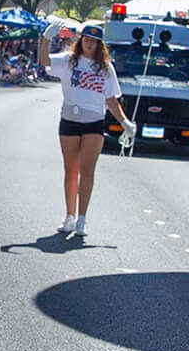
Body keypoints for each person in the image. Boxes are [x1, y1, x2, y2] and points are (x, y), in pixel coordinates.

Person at [37, 23, 127, 242]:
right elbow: (45, 61)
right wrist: (46, 39)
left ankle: (82, 218)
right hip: (70, 120)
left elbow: (111, 99)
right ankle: (69, 215)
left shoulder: (105, 68)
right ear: (81, 41)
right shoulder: (69, 61)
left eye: (94, 41)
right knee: (71, 170)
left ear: (99, 44)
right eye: (86, 39)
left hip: (94, 122)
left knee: (88, 170)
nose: (89, 43)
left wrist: (125, 122)